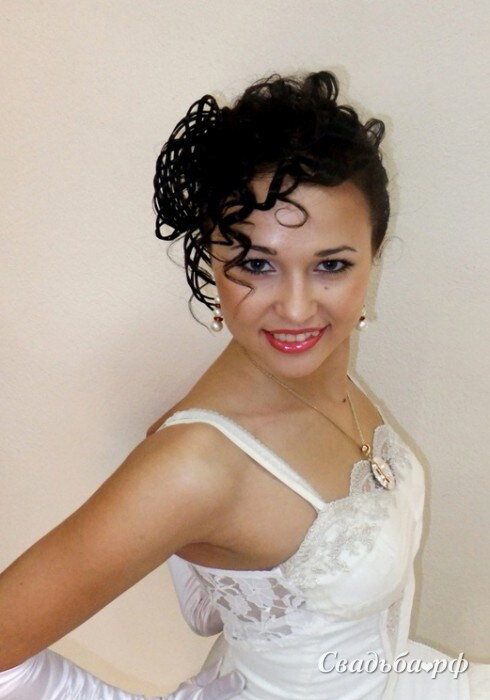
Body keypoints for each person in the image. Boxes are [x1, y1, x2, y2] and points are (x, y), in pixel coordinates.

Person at [0, 70, 488, 699]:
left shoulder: (323, 376)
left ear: (374, 256)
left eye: (331, 265)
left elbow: (210, 607)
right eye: (257, 264)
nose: (296, 308)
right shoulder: (194, 465)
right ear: (212, 261)